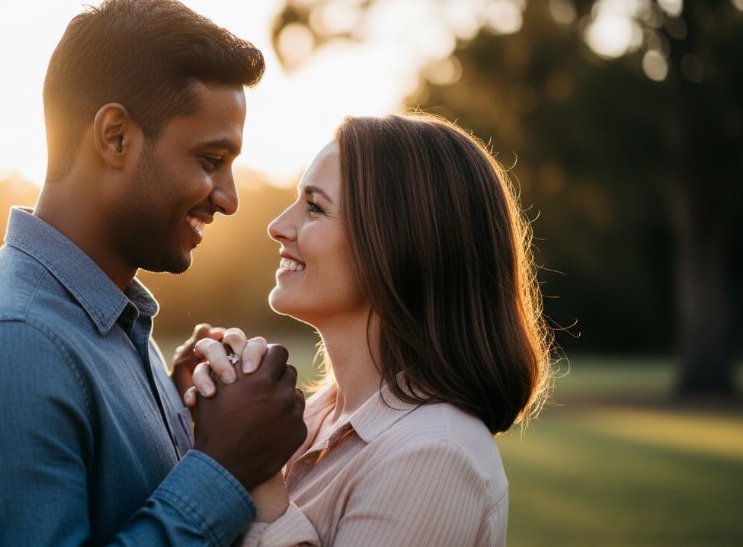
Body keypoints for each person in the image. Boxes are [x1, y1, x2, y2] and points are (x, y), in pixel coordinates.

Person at [0, 0, 307, 546]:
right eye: (211, 161)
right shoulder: (11, 344)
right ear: (115, 137)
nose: (228, 199)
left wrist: (183, 415)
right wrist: (223, 469)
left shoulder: (108, 325)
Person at [188, 113, 555, 546]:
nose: (277, 226)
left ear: (399, 242)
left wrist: (258, 471)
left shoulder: (433, 454)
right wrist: (196, 407)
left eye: (315, 207)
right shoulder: (311, 416)